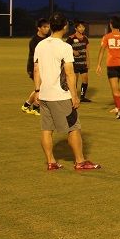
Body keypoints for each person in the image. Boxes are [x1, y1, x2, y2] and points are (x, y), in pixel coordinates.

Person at [32, 12, 100, 171]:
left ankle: (51, 162)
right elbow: (69, 73)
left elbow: (36, 69)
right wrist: (74, 96)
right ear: (64, 27)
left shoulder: (40, 45)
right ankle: (80, 161)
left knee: (46, 129)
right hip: (60, 96)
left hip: (44, 95)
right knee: (73, 128)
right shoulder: (65, 47)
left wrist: (37, 91)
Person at [21, 18, 50, 115]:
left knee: (41, 87)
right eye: (44, 27)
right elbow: (37, 58)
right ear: (39, 28)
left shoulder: (48, 38)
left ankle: (27, 106)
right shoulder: (34, 41)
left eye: (48, 27)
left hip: (44, 67)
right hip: (33, 67)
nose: (47, 29)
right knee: (41, 87)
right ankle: (35, 108)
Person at [66, 20, 91, 103]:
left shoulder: (85, 38)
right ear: (76, 28)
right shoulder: (71, 38)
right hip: (74, 63)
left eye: (83, 27)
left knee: (85, 80)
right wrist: (73, 51)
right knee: (74, 81)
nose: (82, 28)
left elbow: (87, 51)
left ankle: (82, 97)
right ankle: (74, 97)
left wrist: (88, 61)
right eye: (80, 27)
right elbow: (65, 48)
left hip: (83, 63)